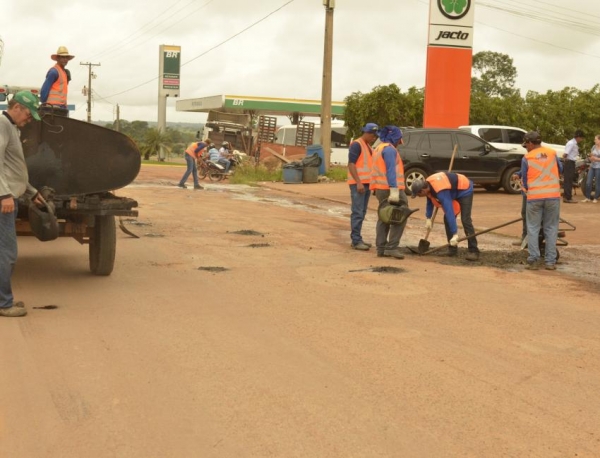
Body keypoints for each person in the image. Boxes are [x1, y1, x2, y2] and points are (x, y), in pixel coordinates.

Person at [1, 91, 44, 317]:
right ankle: (3, 304)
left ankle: (4, 300)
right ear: (16, 107)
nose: (29, 119)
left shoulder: (12, 127)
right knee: (6, 253)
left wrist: (31, 191)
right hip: (3, 202)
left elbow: (12, 168)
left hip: (9, 196)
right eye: (28, 114)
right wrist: (4, 195)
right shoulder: (1, 123)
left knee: (5, 252)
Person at [411, 172, 480, 261]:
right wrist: (428, 217)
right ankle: (452, 249)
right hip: (452, 191)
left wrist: (455, 234)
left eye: (418, 194)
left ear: (423, 190)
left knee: (465, 220)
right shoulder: (428, 186)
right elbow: (429, 201)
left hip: (464, 190)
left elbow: (449, 212)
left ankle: (473, 250)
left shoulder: (440, 191)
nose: (418, 196)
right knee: (447, 220)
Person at [520, 131, 563, 270]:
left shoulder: (527, 157)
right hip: (552, 197)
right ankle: (550, 262)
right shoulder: (552, 153)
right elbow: (560, 169)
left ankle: (533, 259)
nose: (526, 147)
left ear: (531, 143)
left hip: (534, 198)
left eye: (526, 144)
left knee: (532, 228)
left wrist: (526, 189)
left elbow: (525, 179)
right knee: (551, 228)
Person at [370, 125, 407, 259]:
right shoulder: (390, 150)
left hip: (380, 189)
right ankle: (391, 247)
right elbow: (391, 170)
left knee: (384, 217)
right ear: (395, 138)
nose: (399, 143)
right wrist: (394, 190)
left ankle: (381, 248)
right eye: (399, 140)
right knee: (400, 216)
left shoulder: (378, 148)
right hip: (390, 189)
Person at [347, 122, 378, 251]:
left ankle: (358, 238)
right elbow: (351, 164)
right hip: (358, 185)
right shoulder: (356, 145)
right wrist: (358, 182)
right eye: (373, 135)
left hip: (366, 184)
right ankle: (356, 240)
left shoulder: (368, 146)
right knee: (358, 212)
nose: (374, 138)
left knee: (362, 212)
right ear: (368, 133)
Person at [40, 46, 74, 115]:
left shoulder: (64, 72)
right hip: (52, 108)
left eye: (66, 57)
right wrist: (44, 105)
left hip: (61, 108)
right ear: (58, 58)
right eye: (62, 57)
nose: (65, 59)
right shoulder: (54, 72)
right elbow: (44, 90)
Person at [562, 129, 584, 203]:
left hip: (570, 162)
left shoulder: (573, 143)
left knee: (568, 179)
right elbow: (565, 154)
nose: (581, 139)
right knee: (568, 180)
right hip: (569, 162)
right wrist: (565, 160)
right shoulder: (571, 143)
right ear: (578, 137)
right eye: (581, 138)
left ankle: (566, 196)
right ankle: (568, 197)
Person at [581, 134, 600, 203]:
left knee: (598, 182)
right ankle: (587, 197)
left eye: (596, 139)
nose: (594, 141)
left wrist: (596, 159)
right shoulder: (593, 147)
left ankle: (595, 198)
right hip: (592, 166)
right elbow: (591, 154)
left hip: (599, 167)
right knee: (588, 182)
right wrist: (591, 157)